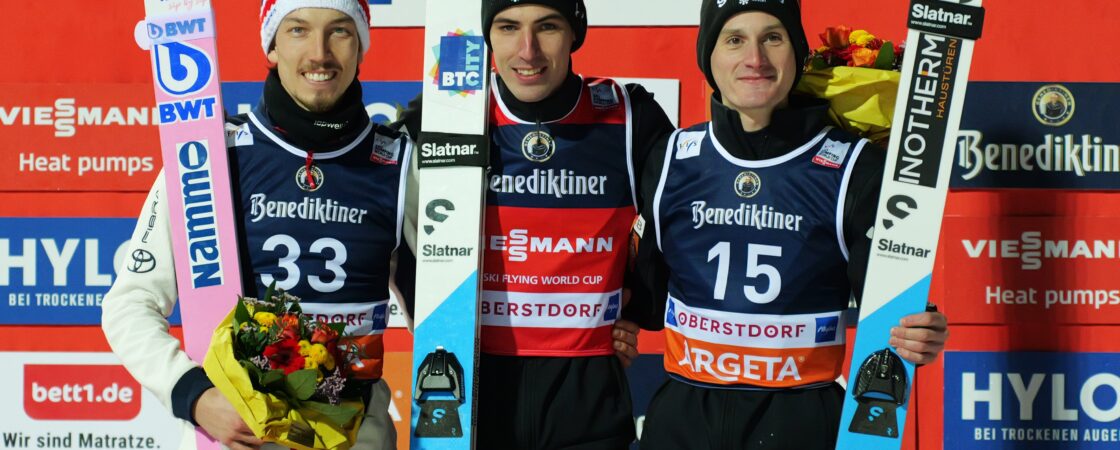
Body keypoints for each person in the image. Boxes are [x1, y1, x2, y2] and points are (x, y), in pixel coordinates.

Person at [614, 0, 950, 448]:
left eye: (773, 38)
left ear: (798, 53)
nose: (755, 58)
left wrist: (918, 330)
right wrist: (609, 325)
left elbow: (891, 315)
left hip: (801, 421)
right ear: (708, 57)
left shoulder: (855, 168)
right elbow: (645, 301)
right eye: (734, 40)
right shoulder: (670, 159)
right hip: (683, 421)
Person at [101, 2, 414, 449]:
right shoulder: (209, 156)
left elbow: (441, 310)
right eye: (298, 30)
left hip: (357, 436)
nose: (319, 52)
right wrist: (194, 395)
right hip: (238, 434)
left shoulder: (402, 162)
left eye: (340, 31)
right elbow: (130, 303)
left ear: (361, 46)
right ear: (271, 46)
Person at [393, 1, 675, 447]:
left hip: (586, 390)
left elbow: (681, 219)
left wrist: (640, 307)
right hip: (472, 381)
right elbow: (395, 232)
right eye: (508, 27)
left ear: (575, 32)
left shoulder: (628, 115)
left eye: (547, 27)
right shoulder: (443, 115)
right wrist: (435, 327)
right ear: (487, 35)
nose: (528, 50)